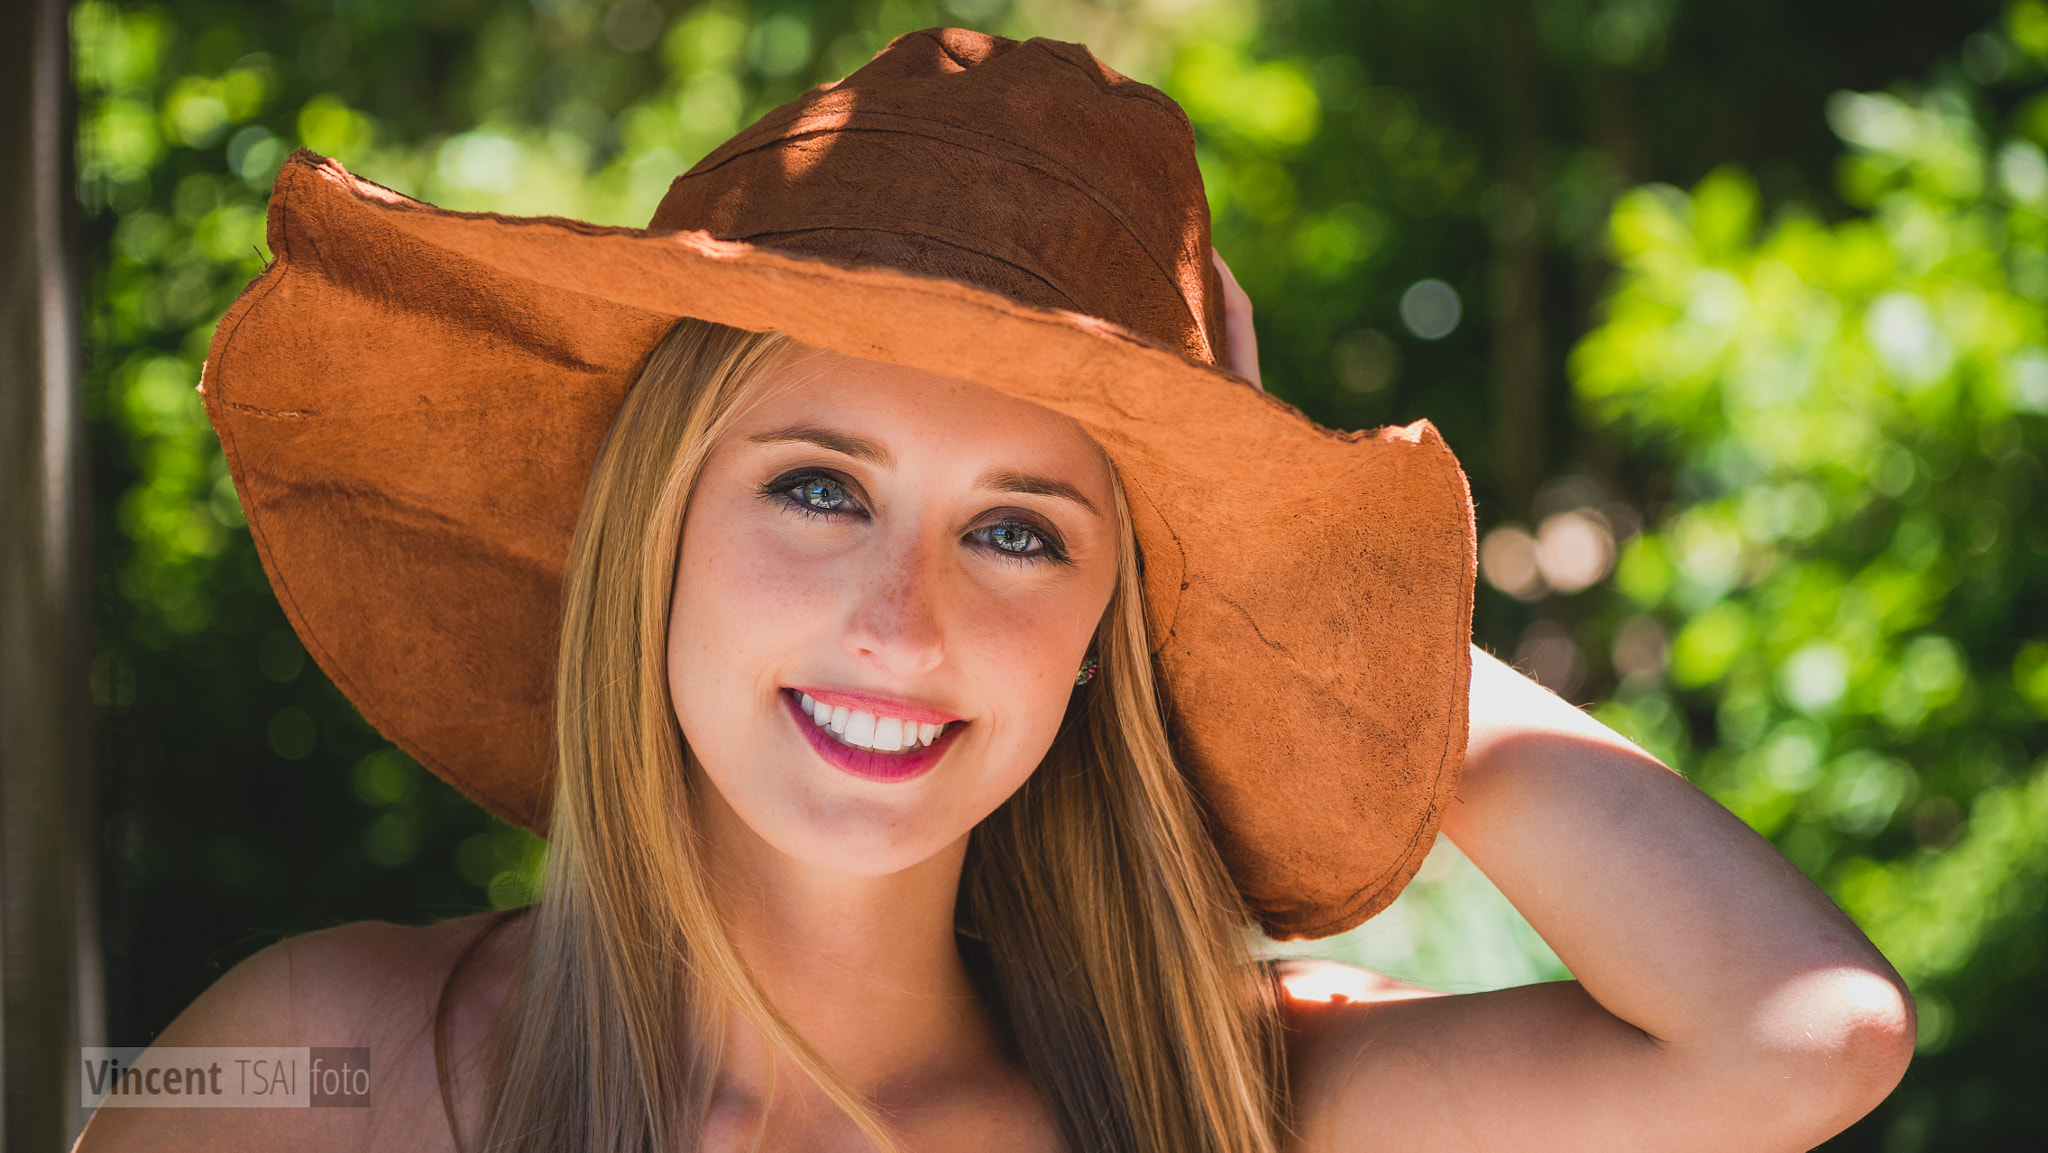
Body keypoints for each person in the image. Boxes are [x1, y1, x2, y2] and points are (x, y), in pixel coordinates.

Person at [74, 27, 1912, 1153]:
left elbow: (1800, 1032)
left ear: (1112, 625)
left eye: (1023, 528)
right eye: (817, 486)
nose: (904, 621)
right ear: (654, 530)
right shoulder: (302, 1068)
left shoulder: (1220, 1108)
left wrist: (1308, 593)